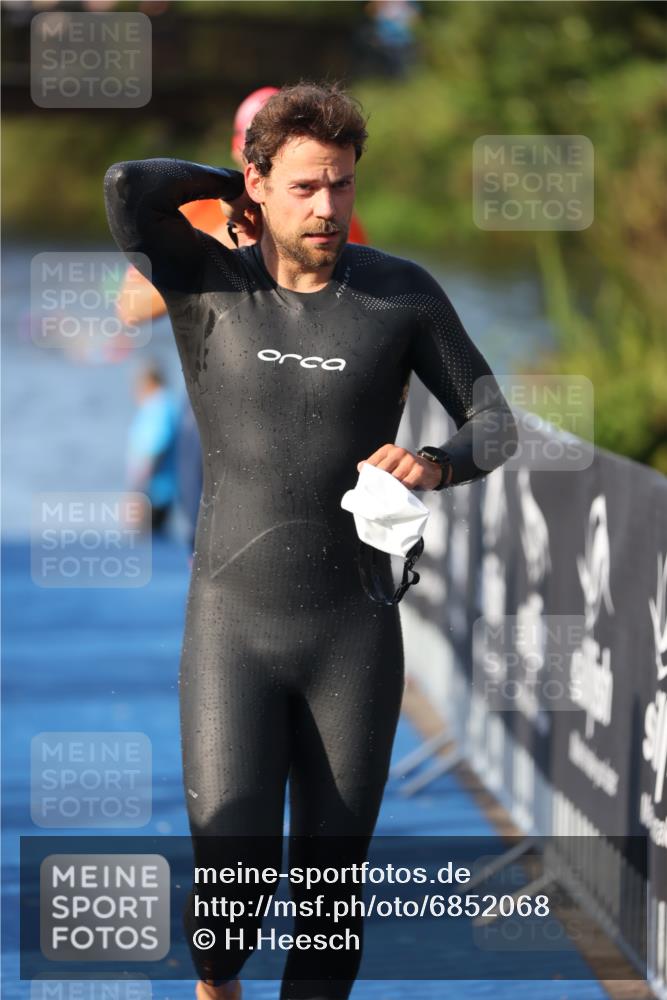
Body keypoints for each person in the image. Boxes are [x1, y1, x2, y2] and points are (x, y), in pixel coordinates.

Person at [104, 81, 518, 1000]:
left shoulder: (398, 293)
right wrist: (235, 189)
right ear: (258, 184)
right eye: (303, 187)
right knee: (230, 899)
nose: (327, 207)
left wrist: (434, 464)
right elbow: (129, 185)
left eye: (340, 184)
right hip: (232, 631)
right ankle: (217, 985)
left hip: (352, 635)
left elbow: (494, 422)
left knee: (330, 900)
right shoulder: (207, 279)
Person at [115, 86, 369, 557]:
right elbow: (130, 305)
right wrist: (217, 254)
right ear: (241, 152)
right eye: (256, 144)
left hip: (310, 392)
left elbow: (364, 304)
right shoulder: (199, 211)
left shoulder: (326, 211)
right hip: (217, 387)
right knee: (205, 533)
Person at [126, 362, 179, 534]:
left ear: (148, 382)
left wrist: (137, 492)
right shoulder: (160, 404)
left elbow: (156, 451)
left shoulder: (159, 406)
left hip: (154, 494)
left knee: (148, 542)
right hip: (157, 492)